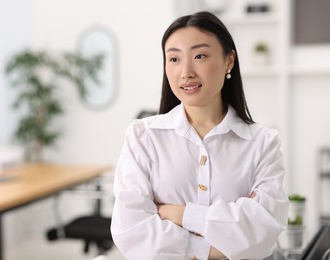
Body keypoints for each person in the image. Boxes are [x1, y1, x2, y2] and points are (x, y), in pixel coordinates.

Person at [111, 11, 288, 260]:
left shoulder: (262, 143)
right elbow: (130, 229)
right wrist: (210, 248)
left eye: (200, 56)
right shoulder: (143, 137)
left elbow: (263, 232)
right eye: (174, 59)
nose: (186, 72)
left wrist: (180, 214)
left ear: (229, 61)